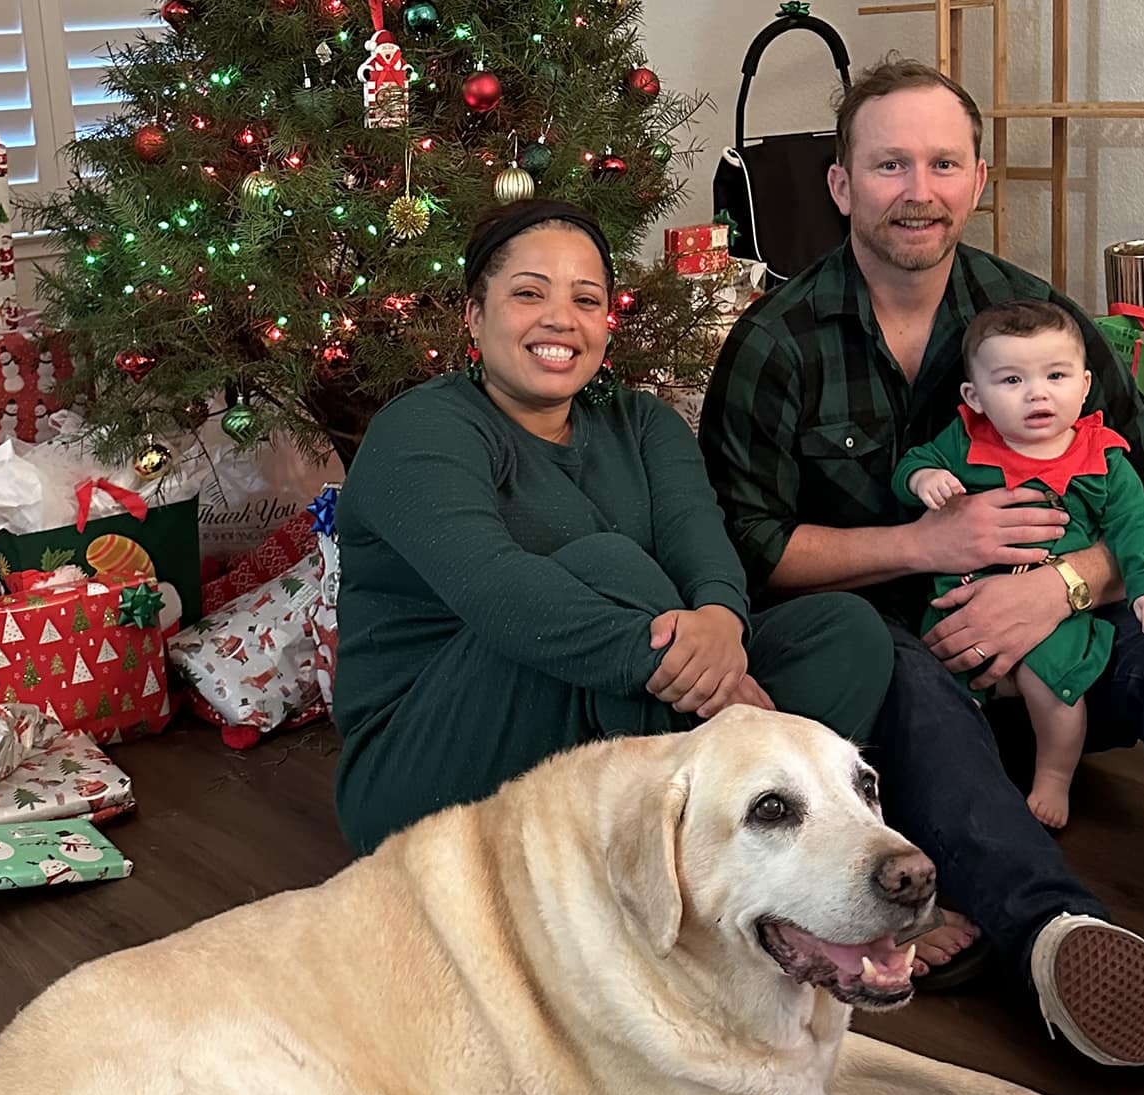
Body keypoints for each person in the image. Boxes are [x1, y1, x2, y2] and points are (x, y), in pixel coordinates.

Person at [698, 55, 1144, 1070]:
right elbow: (751, 552)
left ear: (976, 179)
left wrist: (1061, 586)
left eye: (941, 163)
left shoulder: (1038, 322)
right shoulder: (776, 345)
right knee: (889, 651)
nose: (918, 192)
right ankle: (1055, 940)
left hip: (1062, 655)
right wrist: (923, 544)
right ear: (839, 185)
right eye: (888, 166)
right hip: (899, 679)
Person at [330, 199, 895, 863]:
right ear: (474, 317)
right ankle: (731, 871)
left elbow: (700, 543)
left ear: (606, 320)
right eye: (528, 293)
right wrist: (685, 674)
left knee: (844, 634)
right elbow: (498, 589)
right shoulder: (420, 431)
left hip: (618, 730)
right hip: (430, 766)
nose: (559, 319)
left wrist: (719, 623)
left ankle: (742, 851)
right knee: (609, 565)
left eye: (585, 298)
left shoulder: (643, 422)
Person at [895, 299, 1144, 828]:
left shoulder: (1100, 456)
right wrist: (922, 481)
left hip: (1051, 616)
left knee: (1051, 686)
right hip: (959, 600)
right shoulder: (965, 441)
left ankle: (1054, 776)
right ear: (976, 397)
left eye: (1055, 376)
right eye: (1010, 380)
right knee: (943, 690)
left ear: (1083, 385)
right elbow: (915, 463)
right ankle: (967, 778)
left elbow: (1138, 525)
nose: (1037, 392)